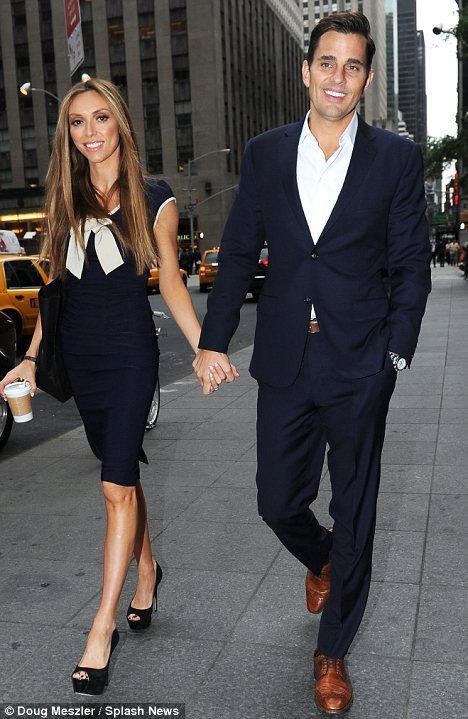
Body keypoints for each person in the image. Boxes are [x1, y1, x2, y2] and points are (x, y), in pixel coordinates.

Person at [193, 12, 431, 716]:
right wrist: (213, 339)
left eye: (353, 66)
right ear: (306, 70)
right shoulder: (266, 154)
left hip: (360, 360)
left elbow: (411, 261)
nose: (338, 77)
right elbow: (238, 252)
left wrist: (398, 347)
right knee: (276, 499)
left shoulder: (394, 157)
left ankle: (332, 649)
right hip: (287, 359)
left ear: (364, 78)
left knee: (356, 505)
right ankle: (322, 558)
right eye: (327, 62)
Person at [0, 78, 202, 696]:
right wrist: (30, 360)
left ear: (120, 124)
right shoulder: (64, 199)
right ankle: (147, 570)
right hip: (81, 356)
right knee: (124, 477)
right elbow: (56, 295)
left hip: (131, 352)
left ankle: (100, 627)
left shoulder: (154, 196)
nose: (90, 133)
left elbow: (169, 281)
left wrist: (204, 348)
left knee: (115, 487)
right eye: (78, 124)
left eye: (101, 119)